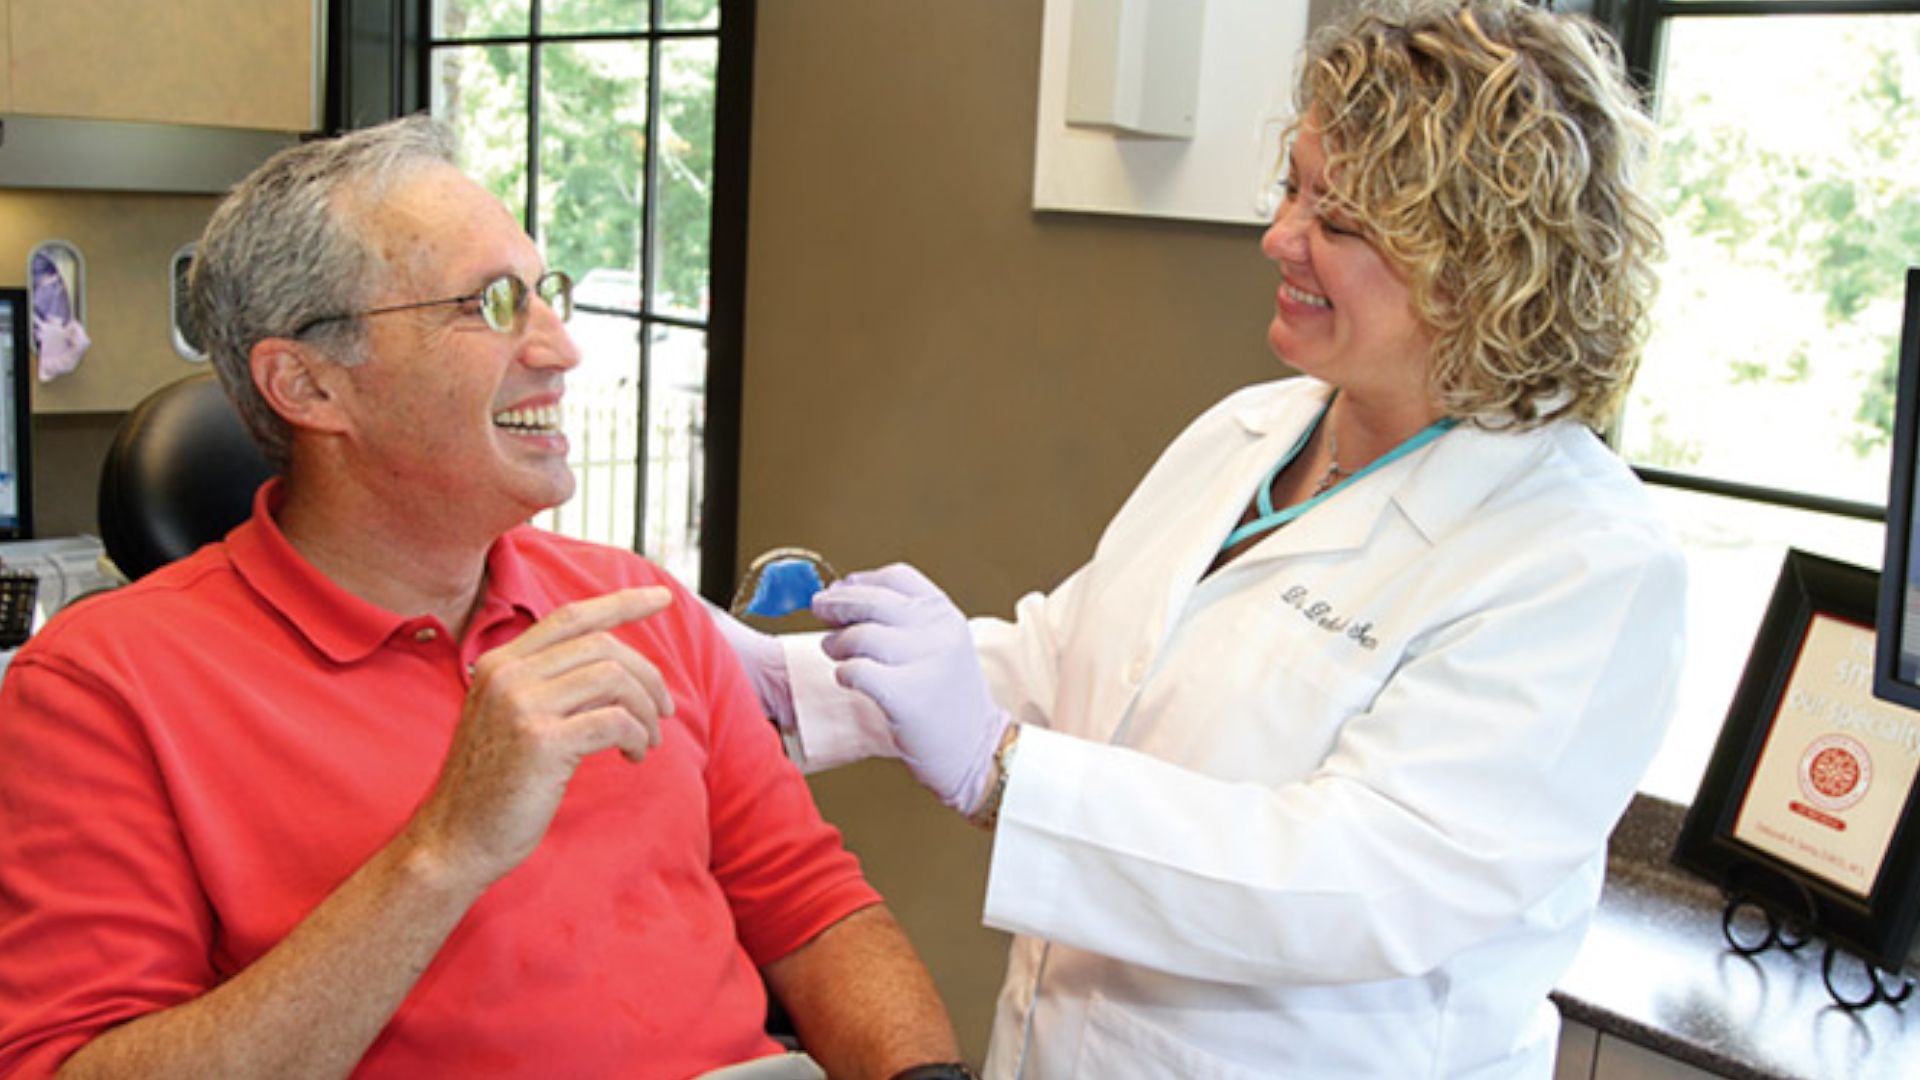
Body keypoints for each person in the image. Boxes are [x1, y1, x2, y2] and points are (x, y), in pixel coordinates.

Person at [721, 1, 1686, 1075]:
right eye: (1294, 186)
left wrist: (1001, 774)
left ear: (1478, 267)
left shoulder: (1579, 561)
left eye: (1342, 219)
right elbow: (1076, 660)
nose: (1279, 237)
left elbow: (1354, 882)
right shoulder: (1251, 429)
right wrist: (789, 688)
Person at [0, 116, 970, 1080]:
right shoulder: (102, 688)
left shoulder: (635, 602)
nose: (559, 348)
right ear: (307, 384)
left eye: (546, 294)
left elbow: (814, 907)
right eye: (492, 303)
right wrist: (446, 847)